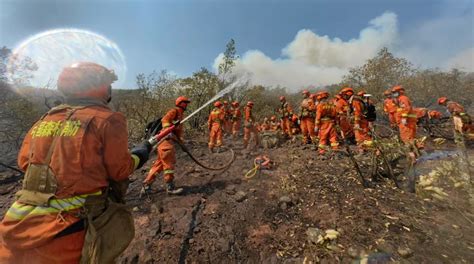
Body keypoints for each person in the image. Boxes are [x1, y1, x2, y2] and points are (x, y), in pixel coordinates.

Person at [0, 62, 152, 263]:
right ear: (99, 86)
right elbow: (120, 171)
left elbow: (25, 162)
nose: (110, 88)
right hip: (68, 233)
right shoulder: (108, 119)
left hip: (16, 227)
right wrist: (140, 154)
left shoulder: (45, 119)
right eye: (108, 84)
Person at [143, 96, 191, 195]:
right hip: (165, 141)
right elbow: (165, 120)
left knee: (159, 165)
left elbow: (178, 133)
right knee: (169, 163)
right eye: (185, 102)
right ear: (181, 103)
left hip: (167, 141)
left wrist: (182, 144)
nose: (187, 105)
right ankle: (170, 187)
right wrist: (168, 129)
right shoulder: (174, 111)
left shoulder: (180, 115)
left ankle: (146, 186)